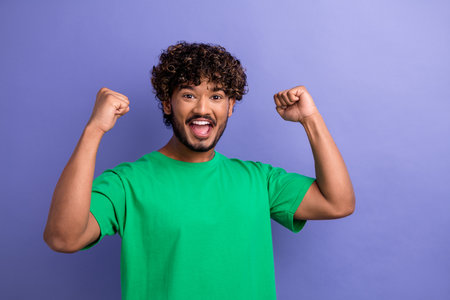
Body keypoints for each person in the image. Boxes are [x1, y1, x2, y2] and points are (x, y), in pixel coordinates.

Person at [43, 41, 355, 299]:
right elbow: (63, 238)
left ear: (231, 106)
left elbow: (338, 202)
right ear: (168, 103)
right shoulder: (128, 183)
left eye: (216, 96)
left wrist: (311, 119)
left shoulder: (259, 180)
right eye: (189, 94)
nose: (203, 109)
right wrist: (94, 130)